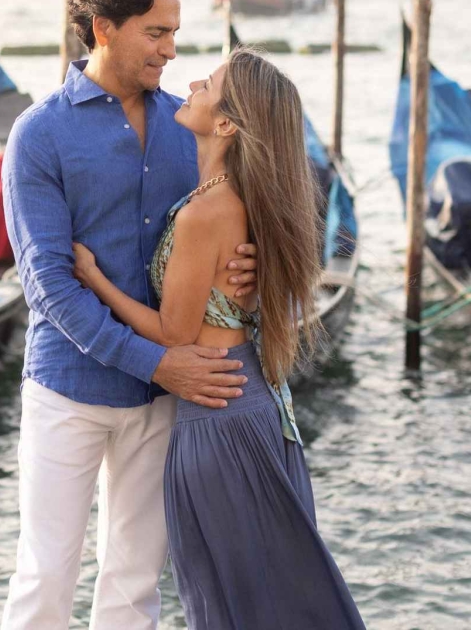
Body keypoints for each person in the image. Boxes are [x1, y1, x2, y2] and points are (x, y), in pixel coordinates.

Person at [0, 0, 260, 630]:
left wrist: (248, 272)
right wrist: (156, 360)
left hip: (160, 397)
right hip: (69, 389)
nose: (173, 50)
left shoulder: (188, 126)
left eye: (175, 32)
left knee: (134, 582)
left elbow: (227, 222)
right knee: (46, 574)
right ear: (104, 26)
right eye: (156, 32)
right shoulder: (39, 133)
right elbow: (49, 285)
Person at [72, 47, 366, 629]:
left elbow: (174, 334)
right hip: (252, 407)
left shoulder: (207, 212)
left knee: (233, 605)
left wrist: (95, 279)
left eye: (208, 83)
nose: (193, 82)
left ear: (227, 123)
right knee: (271, 602)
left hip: (220, 418)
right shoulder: (238, 201)